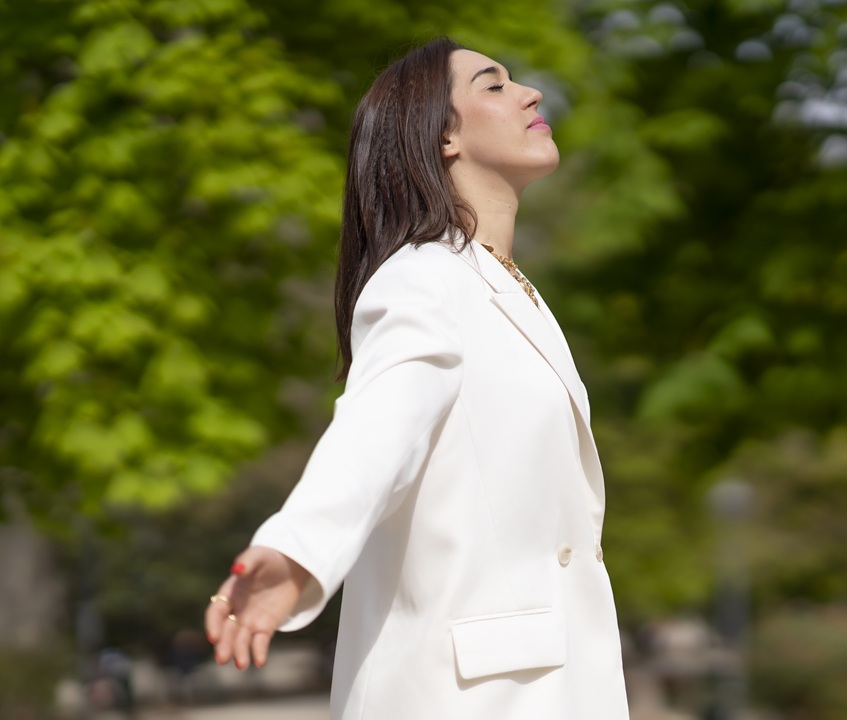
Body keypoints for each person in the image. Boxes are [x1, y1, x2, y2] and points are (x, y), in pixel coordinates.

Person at [203, 37, 630, 719]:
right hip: (466, 697)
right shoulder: (422, 280)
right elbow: (378, 430)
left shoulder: (512, 290)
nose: (531, 93)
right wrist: (298, 550)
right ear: (442, 139)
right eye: (494, 86)